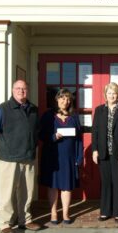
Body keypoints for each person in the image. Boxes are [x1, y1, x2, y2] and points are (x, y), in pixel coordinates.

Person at [0, 80, 41, 233]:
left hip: (28, 156)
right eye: (18, 88)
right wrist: (7, 143)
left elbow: (36, 131)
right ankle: (6, 223)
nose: (21, 91)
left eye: (24, 88)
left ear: (28, 90)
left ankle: (26, 219)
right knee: (8, 192)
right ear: (12, 90)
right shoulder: (3, 109)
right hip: (8, 158)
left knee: (27, 191)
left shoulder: (33, 109)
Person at [39, 89, 83, 225]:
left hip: (69, 157)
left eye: (68, 99)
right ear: (57, 99)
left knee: (67, 186)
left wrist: (79, 156)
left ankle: (65, 213)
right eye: (63, 98)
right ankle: (53, 213)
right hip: (52, 156)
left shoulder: (74, 117)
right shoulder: (48, 116)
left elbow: (79, 139)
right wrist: (53, 137)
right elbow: (40, 135)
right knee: (53, 185)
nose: (66, 101)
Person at [92, 82, 118, 223]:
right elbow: (95, 132)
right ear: (105, 95)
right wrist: (94, 150)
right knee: (106, 183)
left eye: (114, 93)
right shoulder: (99, 110)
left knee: (117, 182)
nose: (112, 95)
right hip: (103, 153)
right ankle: (105, 211)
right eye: (109, 93)